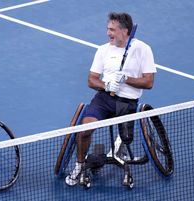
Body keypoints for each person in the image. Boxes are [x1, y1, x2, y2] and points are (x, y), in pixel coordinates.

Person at [65, 12, 156, 186]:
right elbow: (91, 79)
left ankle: (119, 149)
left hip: (127, 103)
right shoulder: (103, 50)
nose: (108, 33)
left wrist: (126, 79)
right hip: (104, 99)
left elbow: (149, 82)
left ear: (125, 31)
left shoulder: (143, 49)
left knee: (126, 137)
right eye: (108, 29)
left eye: (112, 29)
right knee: (84, 130)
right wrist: (106, 85)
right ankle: (79, 165)